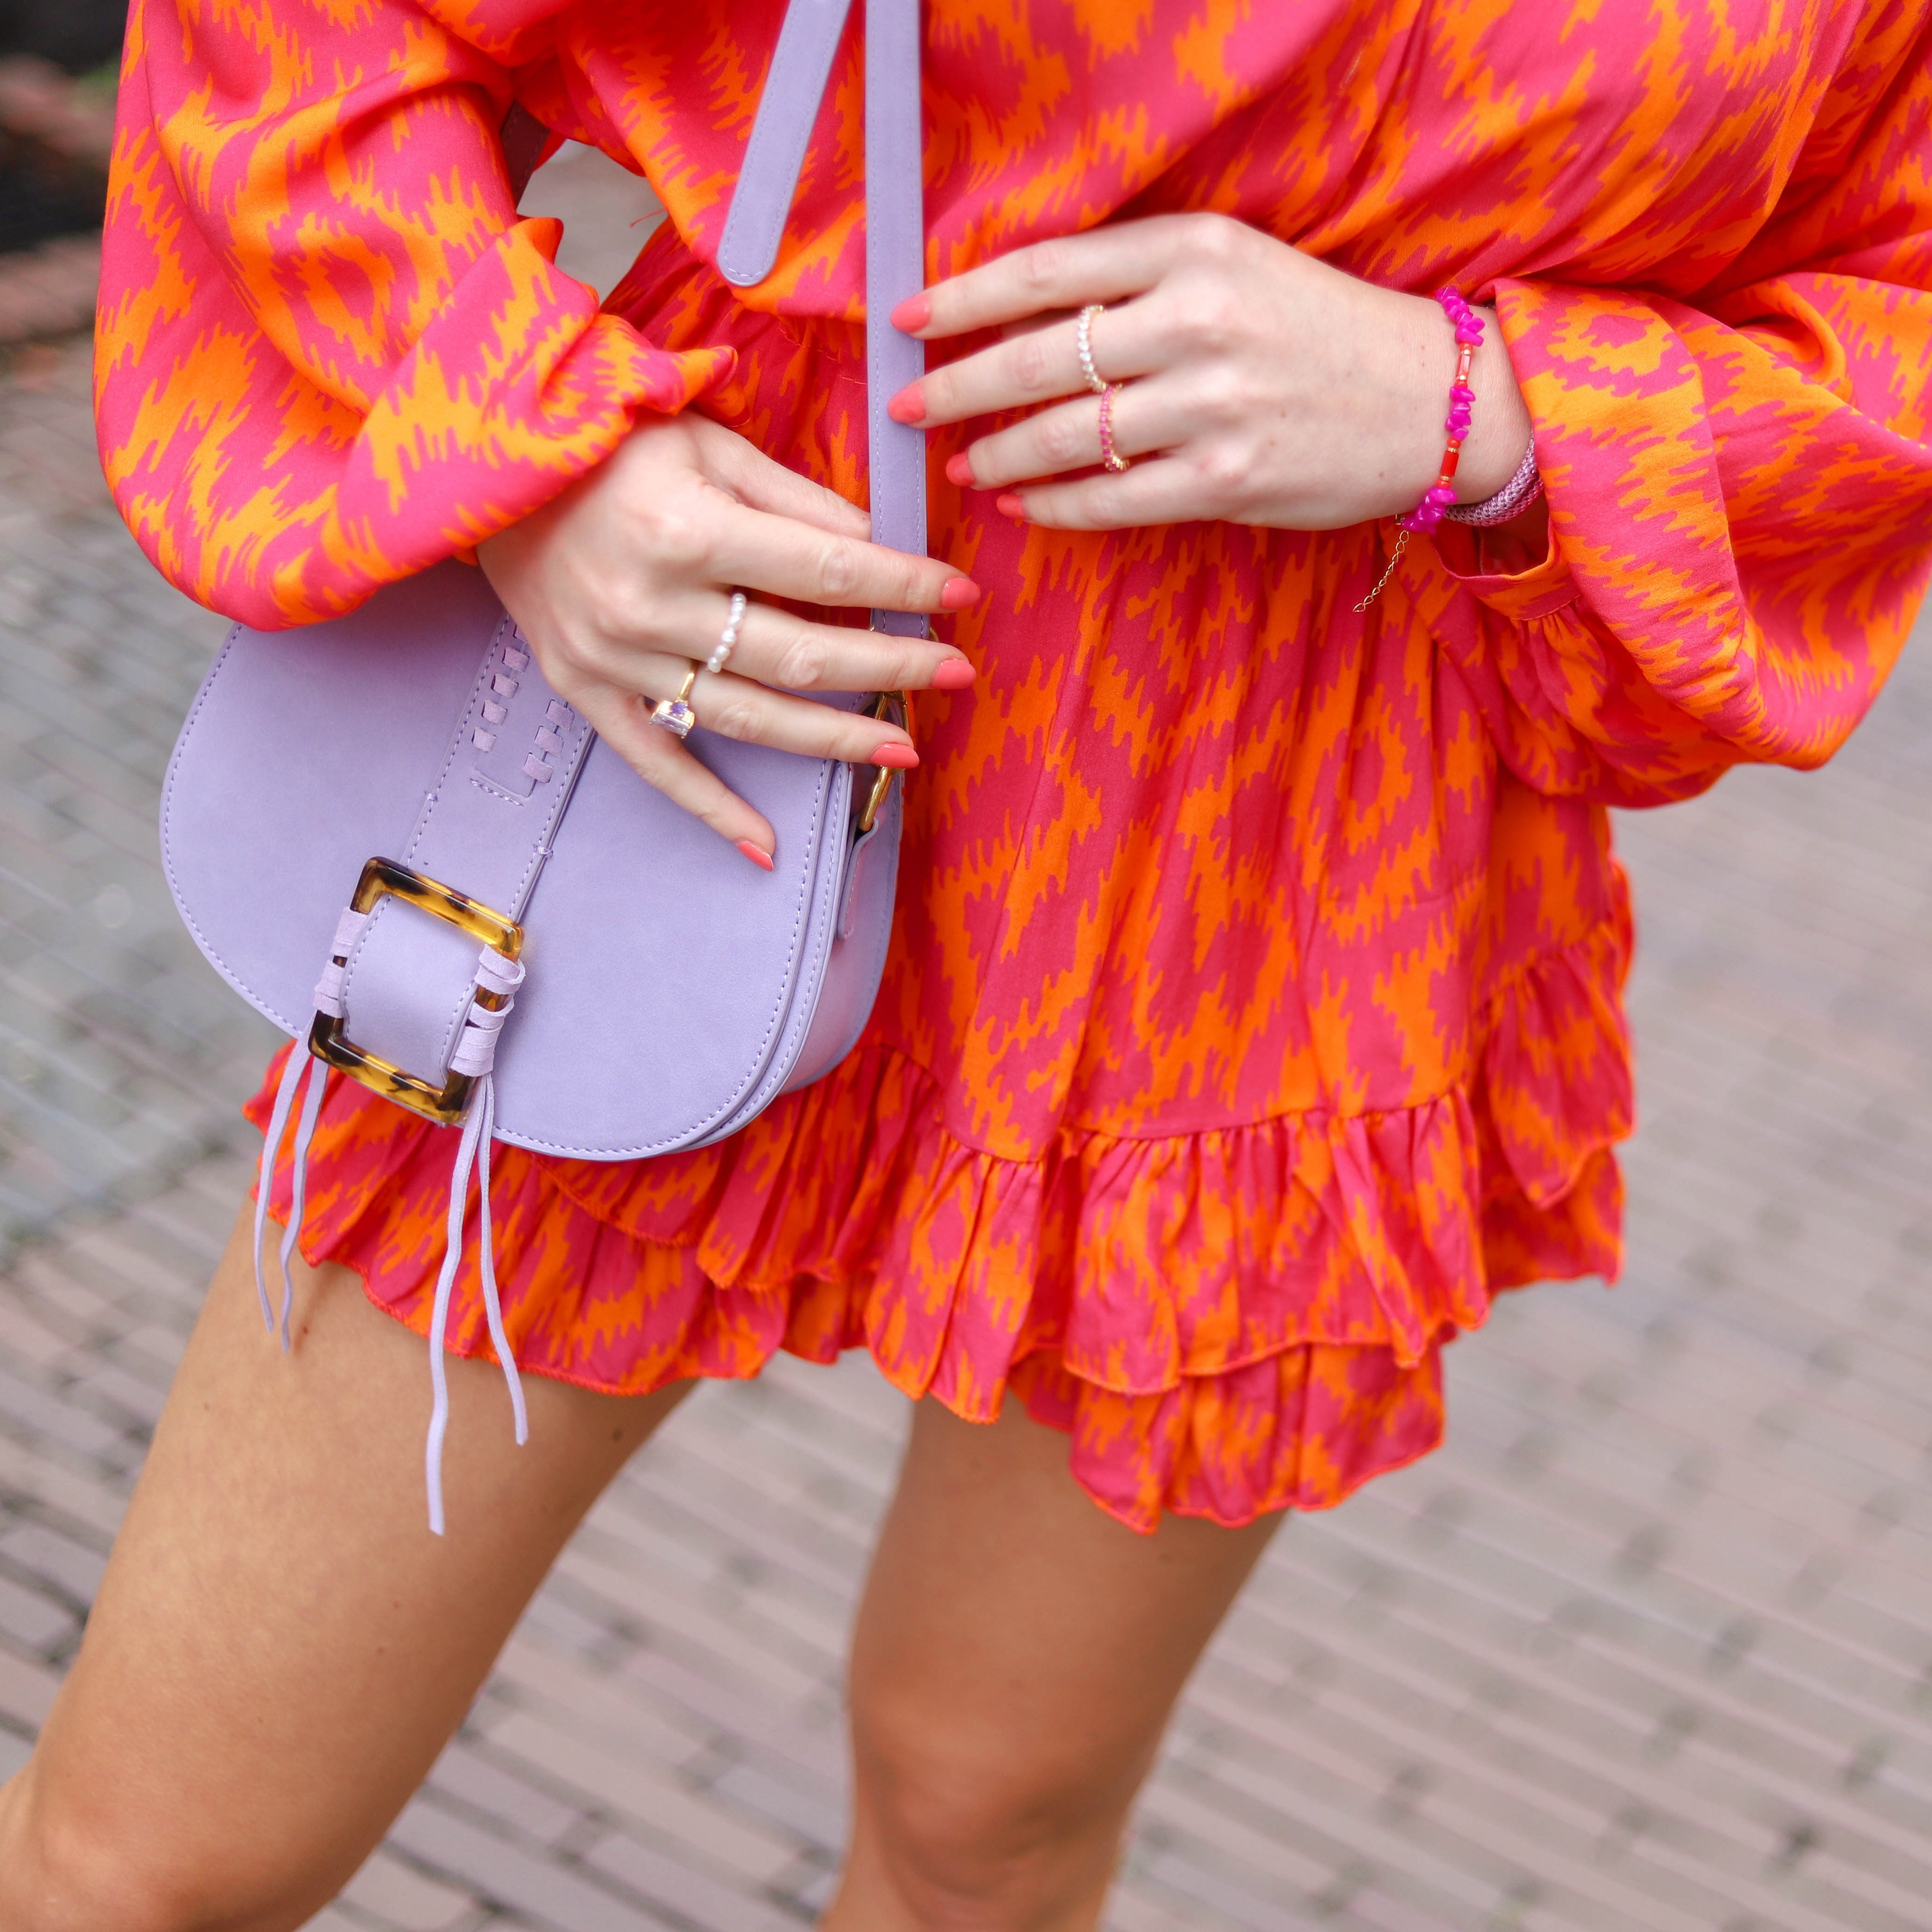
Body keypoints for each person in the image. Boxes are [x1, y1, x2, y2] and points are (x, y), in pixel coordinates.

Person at [5, 2, 1931, 1927]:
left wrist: (1478, 410)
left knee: (983, 1824)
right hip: (718, 679)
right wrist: (528, 455)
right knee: (158, 1855)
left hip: (1295, 862)